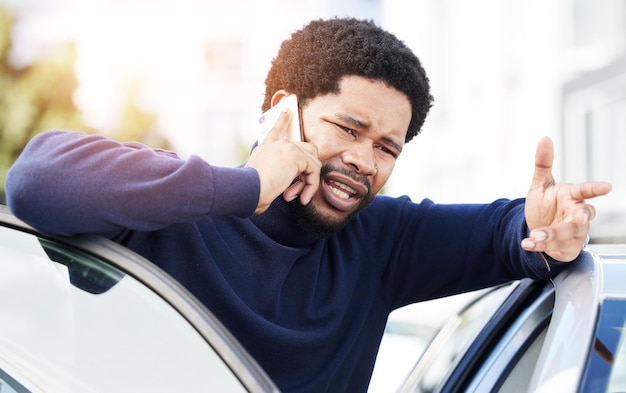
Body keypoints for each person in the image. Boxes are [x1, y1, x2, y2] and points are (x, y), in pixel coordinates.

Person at [5, 17, 611, 392]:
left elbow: (503, 233)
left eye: (386, 148)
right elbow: (34, 180)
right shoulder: (172, 207)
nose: (365, 162)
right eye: (347, 129)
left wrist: (546, 229)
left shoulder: (383, 240)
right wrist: (246, 187)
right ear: (283, 110)